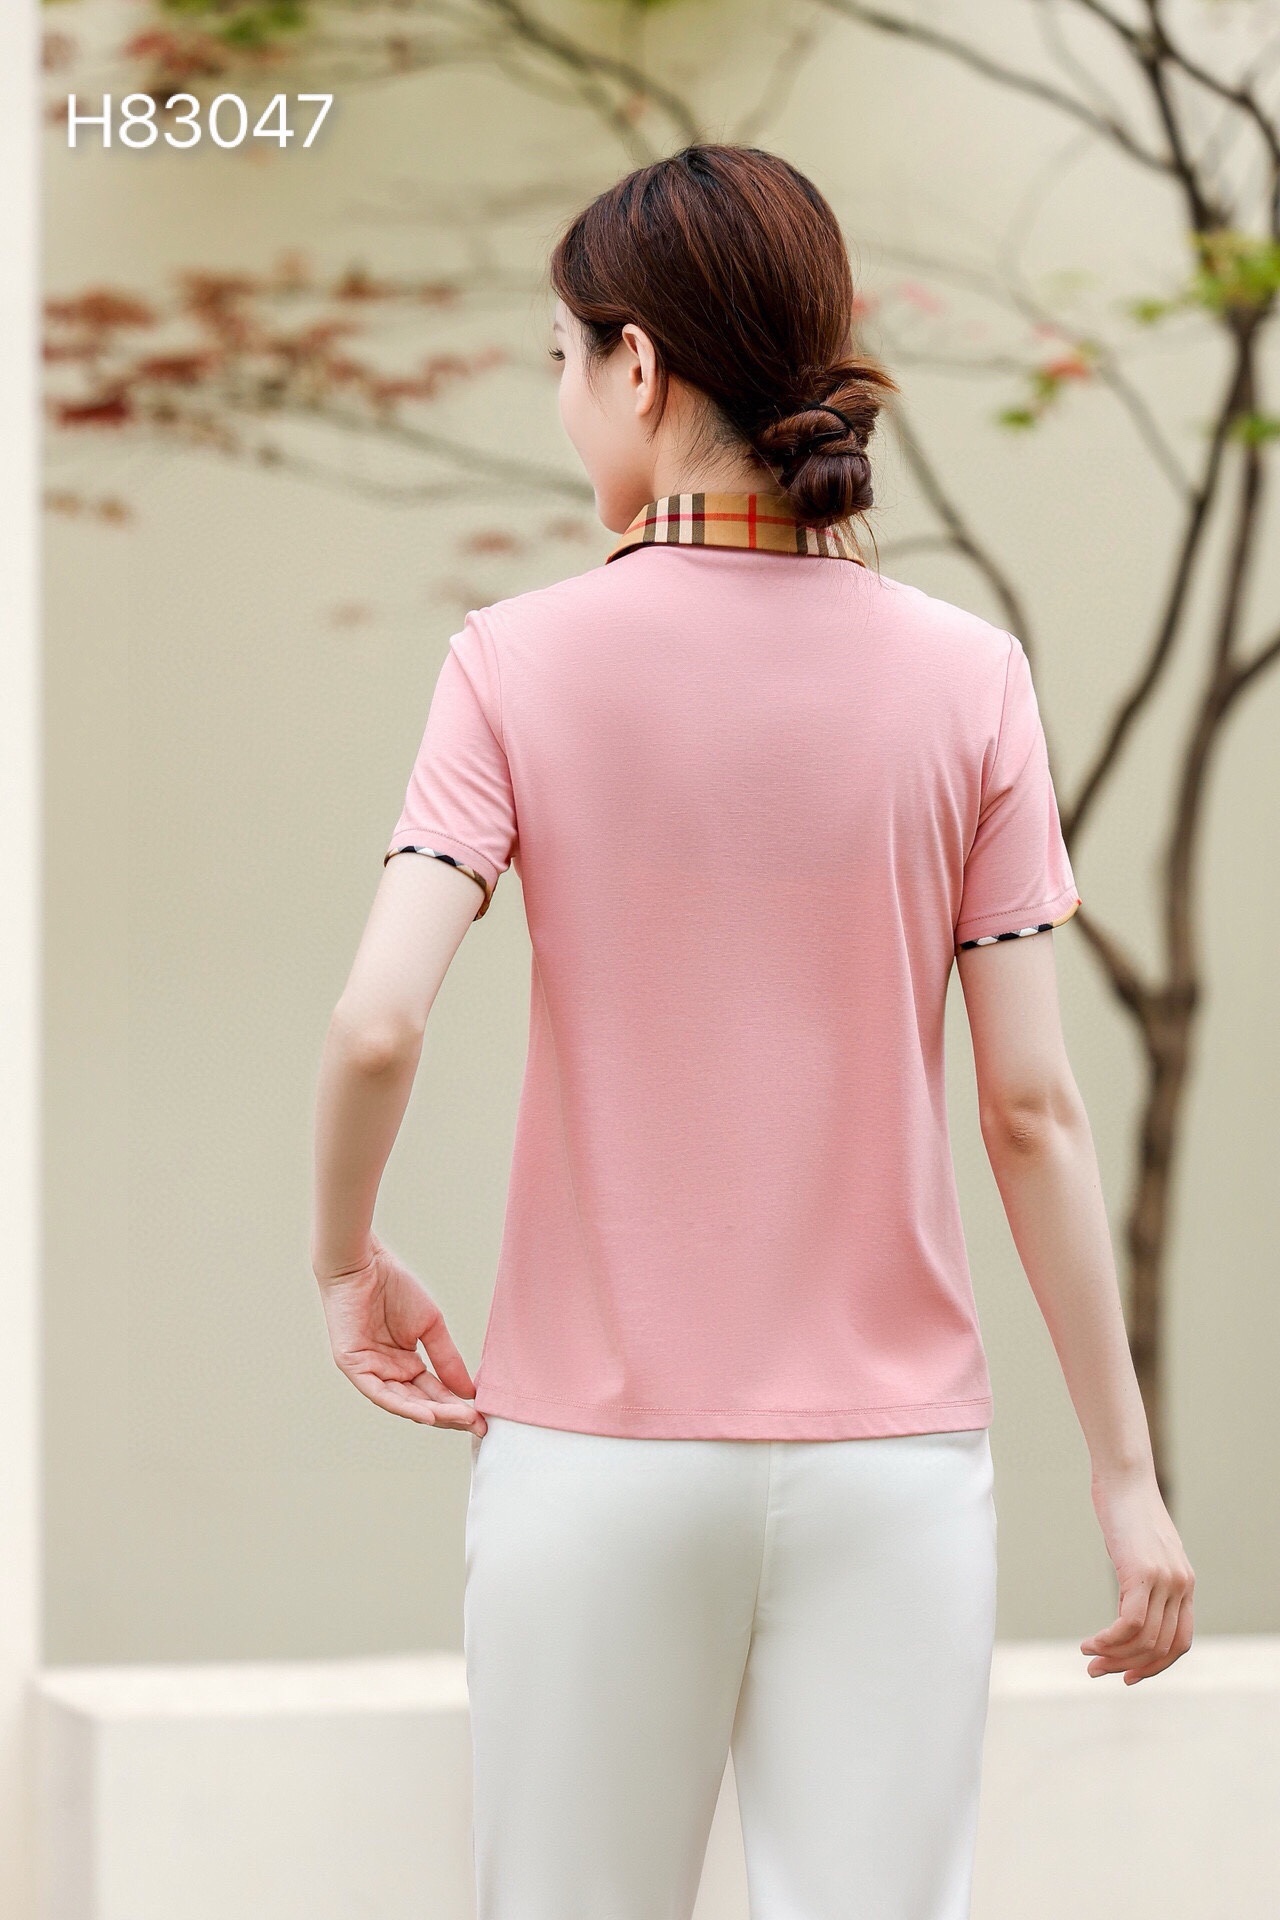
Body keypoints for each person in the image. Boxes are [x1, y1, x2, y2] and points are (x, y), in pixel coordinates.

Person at [310, 143, 1195, 1920]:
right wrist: (1127, 1475)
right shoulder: (972, 678)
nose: (563, 398)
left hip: (592, 1463)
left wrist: (347, 1260)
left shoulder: (511, 662)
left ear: (637, 365)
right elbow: (1031, 1110)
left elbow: (376, 1021)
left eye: (564, 359)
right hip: (893, 1476)